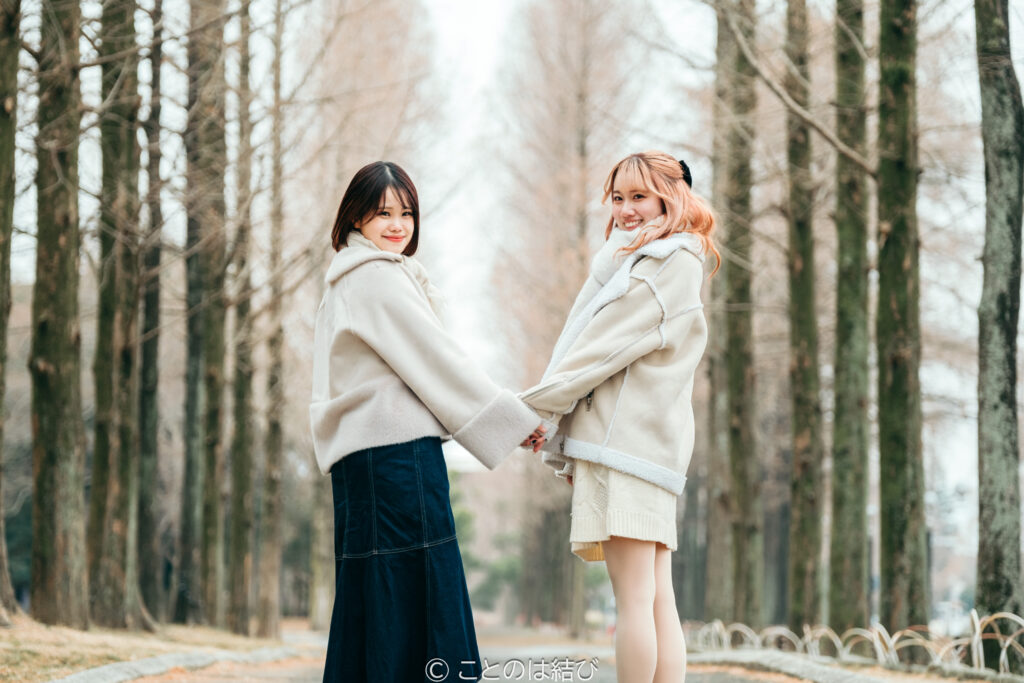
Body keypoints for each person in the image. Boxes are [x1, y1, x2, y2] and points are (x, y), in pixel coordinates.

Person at [310, 161, 549, 683]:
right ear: (355, 217)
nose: (398, 225)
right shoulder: (375, 277)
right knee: (418, 598)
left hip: (362, 466)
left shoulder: (346, 281)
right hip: (397, 459)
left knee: (375, 601)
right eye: (383, 214)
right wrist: (511, 421)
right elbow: (437, 360)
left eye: (407, 213)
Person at [519, 151, 718, 683]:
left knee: (634, 600)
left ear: (669, 198)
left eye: (640, 197)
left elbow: (598, 350)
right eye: (618, 198)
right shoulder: (664, 261)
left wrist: (536, 409)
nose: (626, 209)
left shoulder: (661, 265)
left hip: (624, 447)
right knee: (654, 599)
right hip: (645, 446)